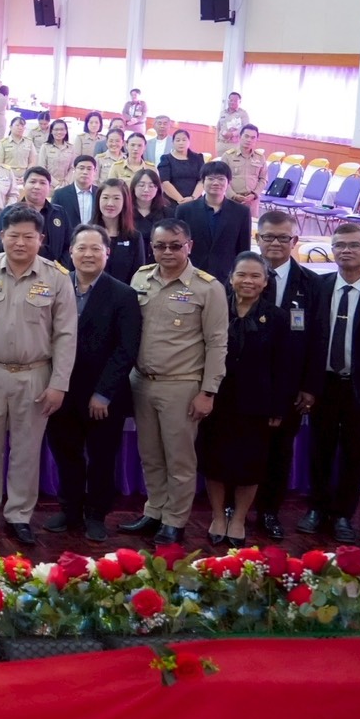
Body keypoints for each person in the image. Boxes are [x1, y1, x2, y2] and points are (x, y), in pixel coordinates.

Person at [0, 204, 77, 546]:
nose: (20, 243)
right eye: (13, 236)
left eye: (28, 236)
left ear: (41, 239)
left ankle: (19, 515)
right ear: (1, 236)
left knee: (26, 450)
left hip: (35, 375)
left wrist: (59, 384)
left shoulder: (56, 277)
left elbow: (66, 335)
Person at [120, 219, 228, 545]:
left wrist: (208, 391)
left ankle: (175, 520)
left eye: (175, 245)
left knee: (179, 458)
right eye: (160, 246)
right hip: (142, 381)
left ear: (189, 246)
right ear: (151, 247)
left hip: (181, 385)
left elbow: (217, 343)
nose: (167, 251)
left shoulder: (207, 287)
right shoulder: (141, 278)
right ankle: (154, 510)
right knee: (150, 454)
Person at [42, 225, 141, 543]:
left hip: (103, 395)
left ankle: (96, 515)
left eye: (95, 248)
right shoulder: (55, 288)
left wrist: (104, 393)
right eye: (81, 248)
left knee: (102, 457)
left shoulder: (123, 294)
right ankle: (70, 510)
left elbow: (126, 350)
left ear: (107, 253)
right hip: (61, 390)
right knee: (66, 453)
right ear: (70, 252)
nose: (88, 254)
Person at [198, 252, 286, 547]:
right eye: (242, 275)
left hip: (256, 403)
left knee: (251, 463)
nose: (248, 281)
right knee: (214, 460)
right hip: (217, 398)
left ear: (265, 281)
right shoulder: (216, 309)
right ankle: (217, 516)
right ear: (231, 278)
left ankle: (238, 519)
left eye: (255, 276)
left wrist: (278, 406)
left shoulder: (276, 317)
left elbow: (283, 366)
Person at [254, 210, 325, 540]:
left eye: (283, 238)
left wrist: (310, 386)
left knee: (280, 451)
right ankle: (232, 509)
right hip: (246, 383)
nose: (275, 243)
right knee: (240, 446)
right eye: (268, 236)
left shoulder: (312, 283)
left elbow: (318, 338)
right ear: (258, 238)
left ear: (295, 240)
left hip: (289, 386)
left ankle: (269, 511)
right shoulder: (241, 275)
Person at [299, 223, 360, 543]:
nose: (346, 251)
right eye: (339, 245)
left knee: (356, 452)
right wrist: (306, 384)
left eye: (354, 245)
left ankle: (343, 514)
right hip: (323, 384)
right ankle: (317, 508)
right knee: (320, 449)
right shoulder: (320, 286)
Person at [175, 160, 250, 280]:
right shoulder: (184, 210)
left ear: (228, 182)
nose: (216, 183)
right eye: (210, 179)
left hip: (226, 275)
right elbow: (177, 245)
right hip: (191, 273)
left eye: (221, 179)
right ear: (202, 181)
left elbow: (244, 249)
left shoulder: (241, 212)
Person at [93, 178, 148, 283]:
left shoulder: (134, 237)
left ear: (125, 202)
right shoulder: (86, 234)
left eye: (116, 198)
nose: (110, 203)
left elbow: (138, 276)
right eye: (105, 197)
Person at [222, 124, 265, 210]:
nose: (249, 140)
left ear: (256, 140)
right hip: (231, 200)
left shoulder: (260, 157)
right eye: (246, 136)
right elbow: (222, 178)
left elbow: (263, 179)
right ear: (240, 137)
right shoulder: (228, 156)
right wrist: (233, 195)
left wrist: (254, 194)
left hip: (252, 201)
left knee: (251, 219)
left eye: (253, 138)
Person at [52, 155, 100, 233]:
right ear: (74, 170)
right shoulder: (60, 194)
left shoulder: (100, 193)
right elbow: (54, 220)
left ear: (95, 171)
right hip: (69, 238)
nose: (85, 172)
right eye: (81, 168)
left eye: (89, 169)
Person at [158, 128, 204, 204]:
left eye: (184, 140)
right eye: (178, 140)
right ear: (173, 142)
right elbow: (165, 182)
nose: (181, 143)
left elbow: (202, 180)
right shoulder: (166, 159)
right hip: (172, 201)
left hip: (195, 200)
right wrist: (180, 200)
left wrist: (193, 198)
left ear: (189, 142)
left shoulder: (197, 158)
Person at [131, 168, 170, 237]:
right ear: (134, 187)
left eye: (151, 186)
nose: (146, 190)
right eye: (141, 185)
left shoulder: (167, 213)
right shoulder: (124, 211)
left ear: (157, 189)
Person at [0, 115, 36, 181]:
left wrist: (26, 176)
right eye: (17, 125)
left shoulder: (29, 142)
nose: (20, 128)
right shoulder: (3, 143)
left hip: (25, 177)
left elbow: (32, 162)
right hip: (7, 176)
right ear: (10, 127)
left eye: (22, 126)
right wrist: (10, 176)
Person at [40, 119, 75, 185]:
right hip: (48, 184)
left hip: (66, 185)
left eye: (62, 129)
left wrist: (66, 182)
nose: (59, 132)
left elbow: (72, 168)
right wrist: (56, 183)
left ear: (66, 131)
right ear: (51, 131)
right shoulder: (45, 147)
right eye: (56, 129)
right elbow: (42, 167)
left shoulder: (71, 147)